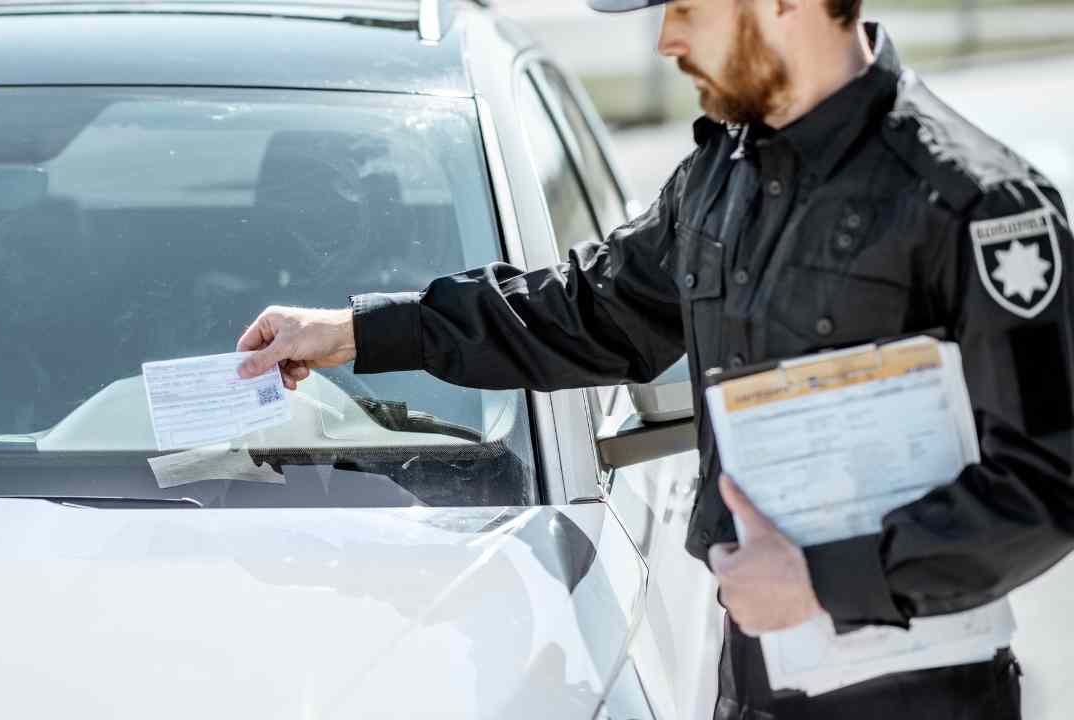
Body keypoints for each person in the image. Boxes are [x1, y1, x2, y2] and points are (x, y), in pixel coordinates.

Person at [235, 0, 1074, 717]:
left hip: (917, 696)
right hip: (748, 680)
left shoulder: (976, 203)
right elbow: (583, 309)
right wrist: (359, 332)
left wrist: (827, 580)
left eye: (684, 8)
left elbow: (1050, 479)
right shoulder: (719, 176)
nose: (667, 42)